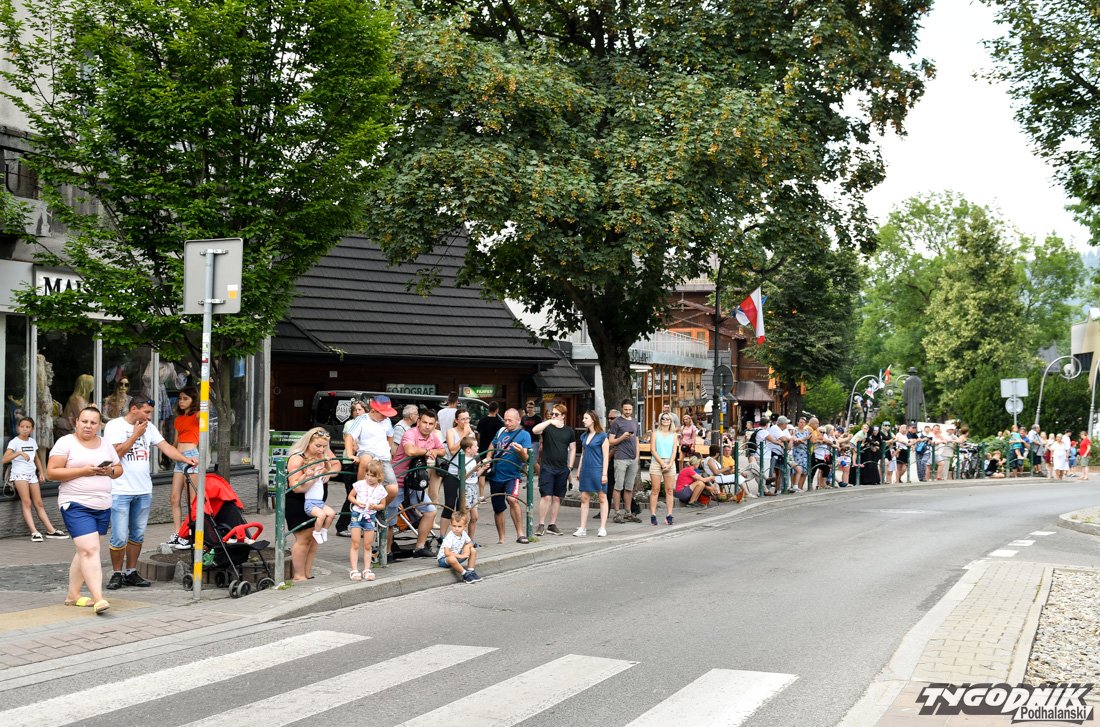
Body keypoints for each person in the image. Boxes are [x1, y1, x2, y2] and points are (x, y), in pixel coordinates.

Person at [103, 395, 198, 590]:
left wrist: (185, 460)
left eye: (150, 413)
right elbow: (115, 454)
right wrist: (135, 435)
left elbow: (166, 447)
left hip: (144, 490)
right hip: (120, 490)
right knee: (119, 536)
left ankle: (131, 572)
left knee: (137, 535)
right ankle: (117, 573)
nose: (149, 417)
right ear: (134, 409)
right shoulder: (114, 426)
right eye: (146, 412)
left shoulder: (150, 427)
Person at [47, 406, 122, 614]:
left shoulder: (105, 443)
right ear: (76, 422)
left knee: (85, 551)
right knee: (90, 550)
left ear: (99, 425)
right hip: (76, 503)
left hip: (102, 505)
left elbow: (119, 469)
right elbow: (51, 472)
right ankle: (98, 598)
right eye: (84, 421)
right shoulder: (66, 442)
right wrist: (83, 471)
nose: (88, 426)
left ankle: (73, 595)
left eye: (93, 422)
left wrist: (109, 470)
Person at [285, 428, 341, 581]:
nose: (321, 449)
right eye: (318, 446)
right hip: (298, 502)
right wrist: (312, 478)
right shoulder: (297, 458)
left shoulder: (323, 452)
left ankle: (307, 573)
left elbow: (337, 465)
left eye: (324, 446)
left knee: (313, 540)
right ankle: (298, 575)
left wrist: (328, 473)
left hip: (317, 500)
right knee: (303, 539)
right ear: (308, 443)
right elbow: (295, 487)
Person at [4, 416, 67, 541]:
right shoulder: (14, 442)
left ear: (32, 429)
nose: (25, 429)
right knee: (26, 502)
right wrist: (18, 453)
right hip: (20, 475)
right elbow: (4, 459)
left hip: (32, 475)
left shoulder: (32, 441)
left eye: (28, 427)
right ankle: (34, 532)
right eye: (22, 426)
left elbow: (36, 458)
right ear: (18, 428)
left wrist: (41, 472)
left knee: (39, 503)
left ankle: (51, 530)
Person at [393, 409, 445, 557]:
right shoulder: (410, 433)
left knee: (431, 511)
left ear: (435, 425)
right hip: (398, 481)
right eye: (425, 422)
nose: (427, 426)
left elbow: (442, 450)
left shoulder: (433, 436)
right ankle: (387, 551)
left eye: (431, 424)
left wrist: (435, 451)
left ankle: (419, 547)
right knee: (388, 517)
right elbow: (410, 451)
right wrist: (428, 451)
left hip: (414, 483)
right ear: (418, 422)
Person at [486, 408, 532, 543]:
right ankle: (501, 539)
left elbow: (526, 459)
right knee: (498, 508)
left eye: (510, 420)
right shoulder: (501, 431)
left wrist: (521, 451)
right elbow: (492, 444)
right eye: (505, 420)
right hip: (496, 475)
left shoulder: (524, 435)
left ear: (518, 420)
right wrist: (488, 457)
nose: (507, 423)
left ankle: (520, 534)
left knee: (512, 499)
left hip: (513, 475)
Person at [532, 403, 576, 537]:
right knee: (546, 496)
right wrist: (549, 421)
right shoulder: (548, 427)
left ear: (563, 416)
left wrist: (570, 466)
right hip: (547, 467)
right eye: (552, 414)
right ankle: (541, 524)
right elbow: (535, 430)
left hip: (562, 468)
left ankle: (552, 524)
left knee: (557, 497)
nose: (554, 416)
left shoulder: (569, 431)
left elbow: (573, 448)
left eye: (556, 414)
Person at [166, 386, 199, 548]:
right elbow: (175, 441)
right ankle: (179, 533)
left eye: (186, 398)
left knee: (192, 500)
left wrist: (207, 386)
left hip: (192, 457)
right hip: (179, 458)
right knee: (174, 498)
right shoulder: (178, 419)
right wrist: (168, 454)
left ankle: (193, 533)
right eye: (180, 398)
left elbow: (207, 409)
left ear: (193, 400)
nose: (181, 401)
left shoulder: (197, 415)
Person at [334, 399, 370, 537]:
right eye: (355, 410)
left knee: (362, 494)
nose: (357, 412)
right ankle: (342, 525)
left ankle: (359, 525)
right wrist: (359, 453)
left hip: (363, 461)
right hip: (352, 461)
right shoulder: (350, 423)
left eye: (360, 409)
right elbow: (351, 442)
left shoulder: (368, 423)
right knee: (352, 493)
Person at [347, 460, 387, 582]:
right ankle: (354, 569)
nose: (369, 478)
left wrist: (375, 507)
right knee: (355, 543)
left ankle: (366, 569)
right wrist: (357, 502)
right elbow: (350, 496)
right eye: (367, 474)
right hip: (357, 514)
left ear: (379, 476)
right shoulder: (360, 484)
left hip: (369, 516)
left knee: (368, 545)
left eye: (372, 476)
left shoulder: (381, 490)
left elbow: (383, 505)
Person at [441, 407, 477, 539]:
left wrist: (470, 434)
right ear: (456, 420)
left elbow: (473, 450)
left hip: (466, 474)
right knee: (449, 505)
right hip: (453, 472)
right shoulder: (451, 431)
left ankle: (460, 536)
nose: (466, 421)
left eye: (468, 418)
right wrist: (463, 435)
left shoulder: (470, 432)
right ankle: (442, 536)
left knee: (462, 507)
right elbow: (452, 450)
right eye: (463, 419)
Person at [447, 436, 489, 543]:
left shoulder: (473, 460)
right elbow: (463, 478)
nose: (478, 448)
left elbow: (475, 476)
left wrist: (482, 468)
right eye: (475, 446)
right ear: (468, 449)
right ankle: (461, 541)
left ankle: (470, 540)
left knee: (475, 517)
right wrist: (475, 468)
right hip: (466, 488)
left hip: (474, 487)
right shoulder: (463, 460)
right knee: (465, 516)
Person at [573, 410, 609, 537]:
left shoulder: (602, 436)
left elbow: (606, 456)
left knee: (602, 497)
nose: (583, 420)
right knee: (584, 498)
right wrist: (579, 470)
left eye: (586, 418)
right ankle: (582, 528)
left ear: (593, 419)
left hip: (598, 469)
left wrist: (604, 474)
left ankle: (602, 527)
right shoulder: (584, 436)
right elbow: (583, 454)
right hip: (586, 470)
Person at [608, 400, 642, 523]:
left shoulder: (635, 422)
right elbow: (611, 441)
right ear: (622, 408)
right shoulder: (616, 422)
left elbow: (636, 440)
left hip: (632, 459)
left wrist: (637, 456)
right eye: (625, 409)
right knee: (618, 486)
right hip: (620, 458)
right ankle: (617, 513)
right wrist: (622, 437)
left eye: (630, 409)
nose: (627, 411)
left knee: (629, 487)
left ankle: (628, 512)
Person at [648, 411, 677, 524]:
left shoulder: (674, 435)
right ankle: (653, 515)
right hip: (657, 462)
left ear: (671, 421)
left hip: (670, 462)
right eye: (663, 418)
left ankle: (669, 515)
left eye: (667, 419)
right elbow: (652, 450)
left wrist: (669, 464)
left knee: (669, 490)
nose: (665, 420)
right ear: (660, 421)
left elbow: (674, 451)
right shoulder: (655, 433)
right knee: (655, 489)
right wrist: (662, 463)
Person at [438, 511, 481, 583]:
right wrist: (461, 556)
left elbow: (471, 542)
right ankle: (465, 574)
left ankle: (471, 571)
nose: (456, 529)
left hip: (456, 556)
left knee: (472, 550)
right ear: (450, 525)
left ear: (464, 527)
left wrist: (467, 546)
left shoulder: (463, 533)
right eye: (454, 526)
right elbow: (447, 553)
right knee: (452, 558)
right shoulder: (449, 537)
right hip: (444, 560)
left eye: (459, 526)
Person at [475, 400, 505, 502]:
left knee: (483, 471)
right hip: (495, 449)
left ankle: (481, 495)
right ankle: (496, 494)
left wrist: (480, 443)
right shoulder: (500, 422)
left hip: (483, 448)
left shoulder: (482, 420)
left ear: (488, 409)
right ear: (497, 410)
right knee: (496, 470)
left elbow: (478, 435)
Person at [520, 400, 543, 475]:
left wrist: (541, 442)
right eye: (528, 407)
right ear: (526, 408)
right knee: (524, 459)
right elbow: (521, 429)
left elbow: (541, 430)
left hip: (535, 441)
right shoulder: (524, 417)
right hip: (525, 442)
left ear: (534, 408)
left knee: (533, 461)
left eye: (531, 407)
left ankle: (541, 477)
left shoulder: (538, 418)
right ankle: (527, 476)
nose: (530, 409)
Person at [790, 416, 810, 491]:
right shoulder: (794, 431)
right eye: (801, 422)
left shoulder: (807, 431)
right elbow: (795, 442)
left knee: (804, 471)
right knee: (796, 470)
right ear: (797, 422)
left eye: (804, 422)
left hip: (805, 453)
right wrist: (804, 439)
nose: (802, 424)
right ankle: (793, 486)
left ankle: (800, 487)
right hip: (797, 453)